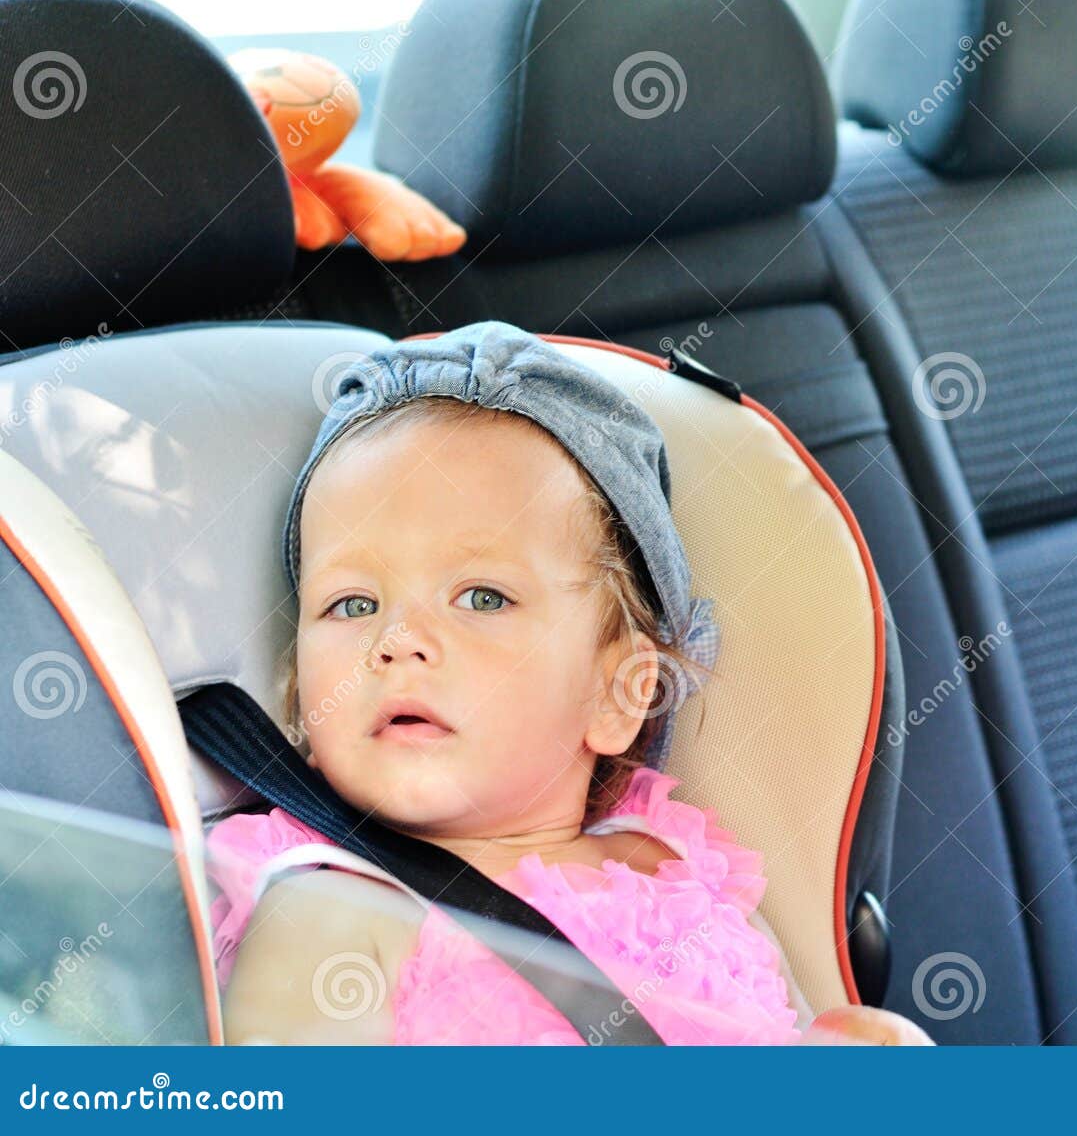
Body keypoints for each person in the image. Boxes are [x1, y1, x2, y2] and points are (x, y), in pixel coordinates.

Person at [207, 322, 929, 1045]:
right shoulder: (332, 909)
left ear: (617, 695)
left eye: (482, 597)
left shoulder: (679, 868)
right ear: (303, 693)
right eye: (354, 605)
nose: (397, 643)